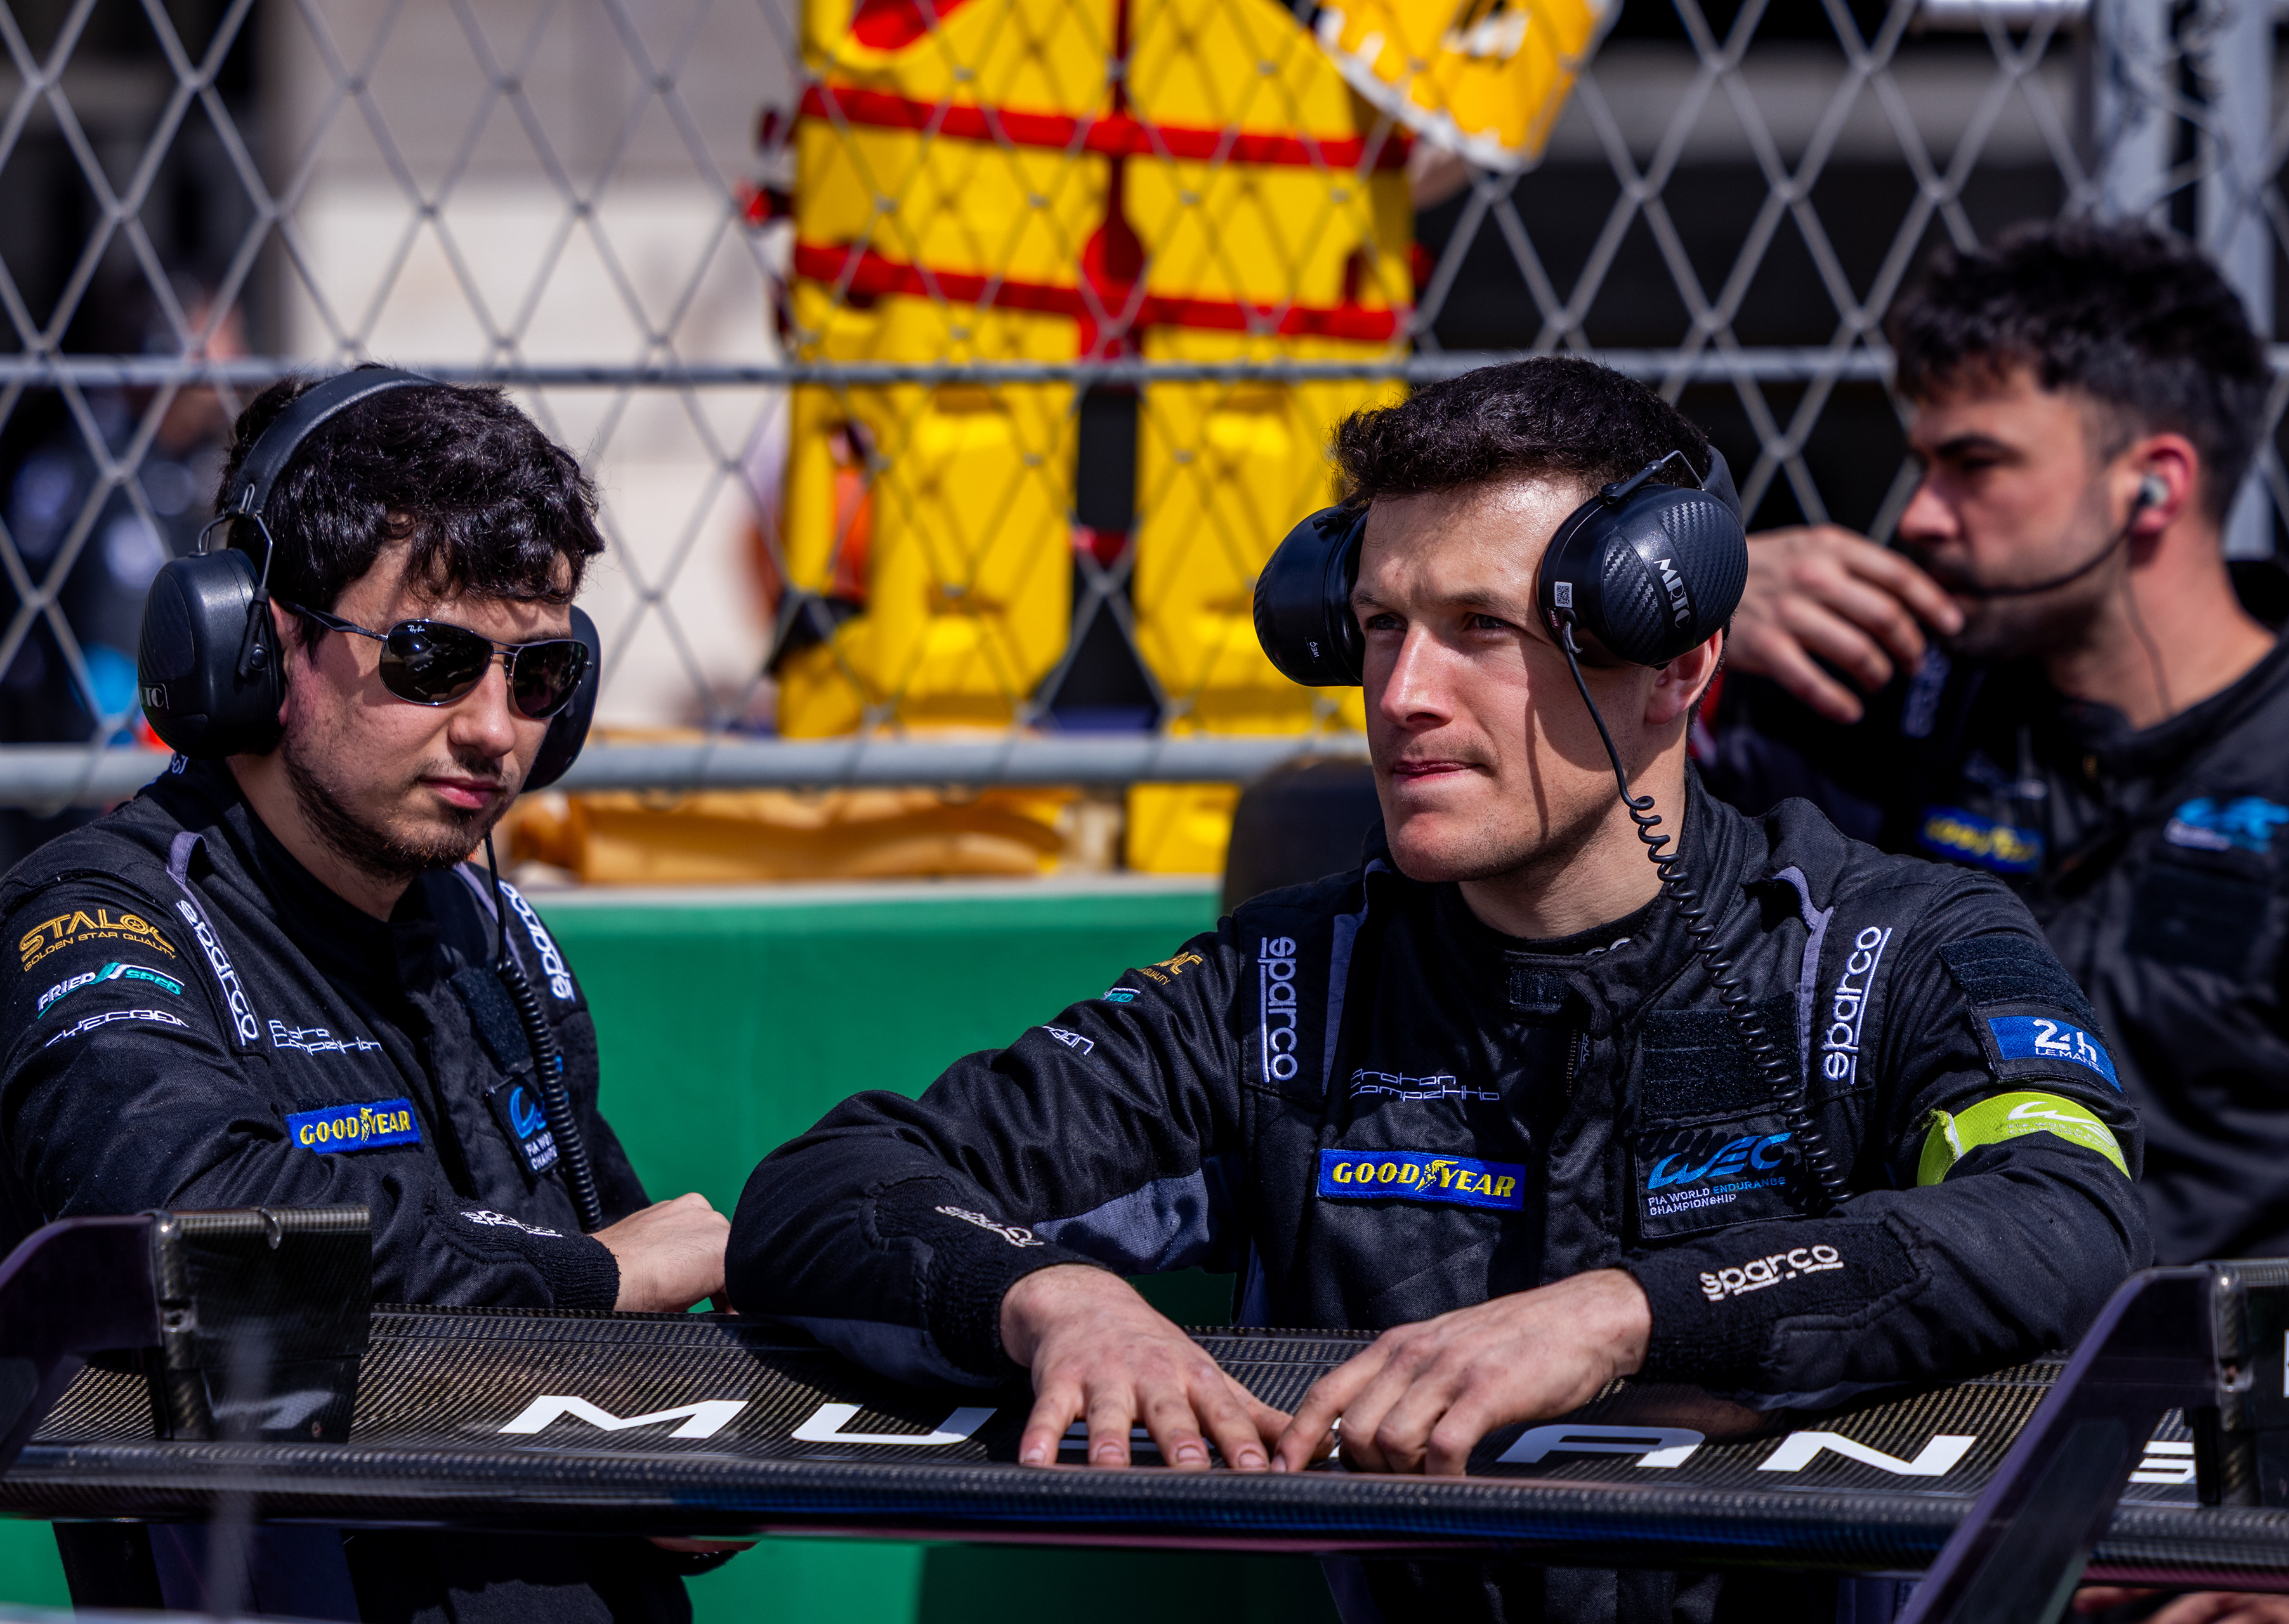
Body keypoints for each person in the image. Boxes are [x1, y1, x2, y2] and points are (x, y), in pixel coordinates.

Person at [725, 356, 2149, 1624]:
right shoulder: (1286, 988)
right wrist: (1052, 1300)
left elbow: (2066, 1209)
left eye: (1480, 627)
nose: (1404, 692)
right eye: (1379, 625)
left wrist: (1625, 1314)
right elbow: (835, 1181)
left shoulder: (1891, 946)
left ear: (1676, 662)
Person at [0, 373, 730, 1623]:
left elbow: (631, 1315)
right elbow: (196, 1225)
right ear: (260, 645)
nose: (495, 731)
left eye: (538, 674)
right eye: (433, 660)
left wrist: (691, 1455)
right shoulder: (98, 917)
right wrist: (584, 1281)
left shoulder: (493, 933)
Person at [1707, 221, 2289, 1273]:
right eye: (1922, 465)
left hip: (2223, 1357)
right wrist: (1696, 613)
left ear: (2154, 484)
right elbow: (1609, 836)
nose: (1921, 517)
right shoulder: (1874, 687)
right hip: (1930, 1337)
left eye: (1974, 465)